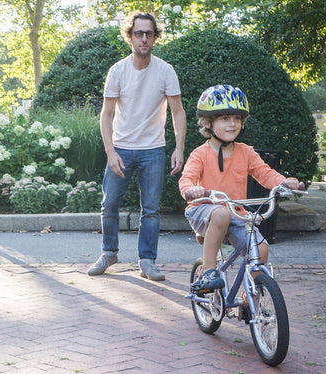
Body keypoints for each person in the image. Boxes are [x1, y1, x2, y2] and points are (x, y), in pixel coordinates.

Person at [86, 11, 187, 281]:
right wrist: (110, 152)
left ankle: (147, 261)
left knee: (151, 209)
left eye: (149, 33)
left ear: (155, 37)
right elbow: (106, 115)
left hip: (153, 149)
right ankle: (109, 253)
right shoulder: (118, 71)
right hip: (120, 148)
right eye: (138, 33)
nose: (144, 38)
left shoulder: (165, 70)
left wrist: (179, 148)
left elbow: (178, 111)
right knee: (109, 205)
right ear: (129, 36)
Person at [178, 84, 304, 292]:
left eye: (237, 119)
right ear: (208, 123)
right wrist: (191, 190)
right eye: (225, 118)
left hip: (236, 212)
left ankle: (249, 296)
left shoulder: (245, 152)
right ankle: (209, 272)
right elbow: (187, 178)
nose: (233, 124)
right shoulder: (200, 154)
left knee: (261, 249)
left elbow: (265, 173)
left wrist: (284, 182)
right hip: (203, 209)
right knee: (220, 213)